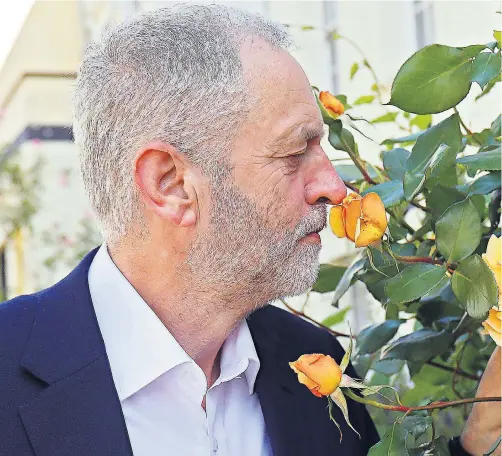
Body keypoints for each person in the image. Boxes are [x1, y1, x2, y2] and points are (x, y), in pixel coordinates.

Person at [0, 5, 499, 456]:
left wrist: (478, 448)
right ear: (170, 184)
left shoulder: (314, 366)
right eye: (293, 152)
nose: (333, 186)